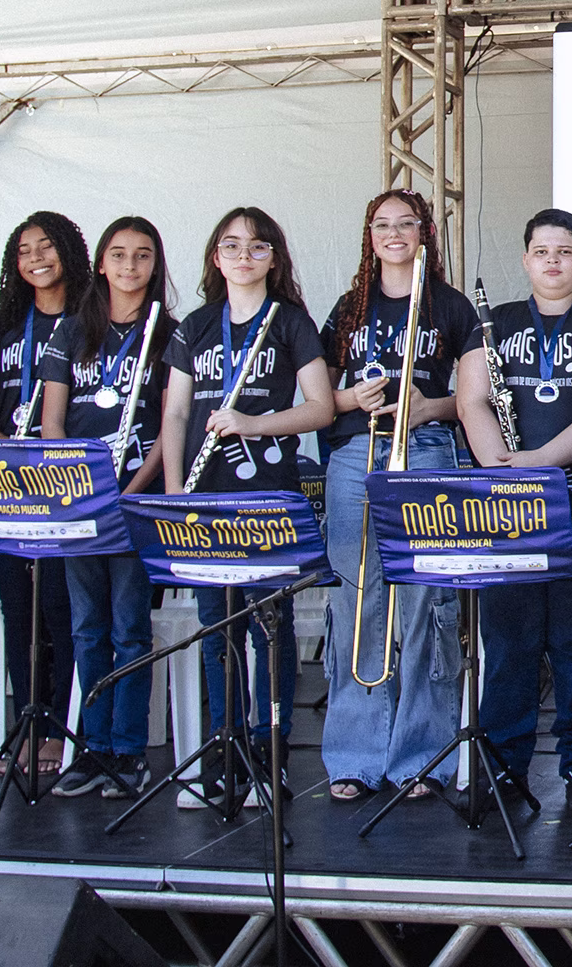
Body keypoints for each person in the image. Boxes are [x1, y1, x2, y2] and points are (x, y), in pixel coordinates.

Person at [458, 209, 572, 819]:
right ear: (526, 259)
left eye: (566, 251)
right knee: (510, 641)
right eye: (541, 251)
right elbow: (472, 399)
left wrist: (538, 462)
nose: (553, 261)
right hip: (507, 505)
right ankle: (503, 767)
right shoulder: (493, 324)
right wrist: (500, 469)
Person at [162, 208, 336, 804]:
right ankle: (223, 747)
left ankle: (272, 746)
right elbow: (177, 414)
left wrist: (255, 424)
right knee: (217, 626)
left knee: (270, 625)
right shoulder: (194, 326)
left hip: (268, 492)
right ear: (216, 257)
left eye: (257, 247)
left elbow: (321, 408)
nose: (244, 256)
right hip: (204, 495)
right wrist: (172, 493)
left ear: (273, 258)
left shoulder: (290, 322)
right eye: (231, 246)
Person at [318, 189, 478, 805]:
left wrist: (421, 407)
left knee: (424, 608)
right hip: (357, 454)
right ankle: (355, 756)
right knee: (359, 606)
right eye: (381, 224)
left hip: (428, 449)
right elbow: (318, 397)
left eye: (405, 224)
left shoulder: (451, 307)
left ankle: (422, 758)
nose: (393, 234)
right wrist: (351, 400)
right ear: (370, 235)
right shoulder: (347, 308)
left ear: (424, 233)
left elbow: (470, 401)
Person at [38, 215, 175, 800]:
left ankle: (126, 749)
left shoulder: (168, 333)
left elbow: (173, 425)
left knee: (129, 627)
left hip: (132, 501)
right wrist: (74, 486)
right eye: (118, 255)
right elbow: (52, 419)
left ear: (154, 265)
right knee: (87, 629)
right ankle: (89, 749)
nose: (129, 266)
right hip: (78, 503)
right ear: (101, 263)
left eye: (142, 256)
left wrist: (132, 489)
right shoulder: (72, 331)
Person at [0, 212, 88, 778]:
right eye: (24, 250)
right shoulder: (0, 326)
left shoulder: (91, 321)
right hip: (5, 483)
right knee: (18, 609)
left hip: (66, 485)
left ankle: (65, 734)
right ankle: (30, 723)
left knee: (63, 609)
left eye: (47, 246)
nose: (36, 257)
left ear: (69, 251)